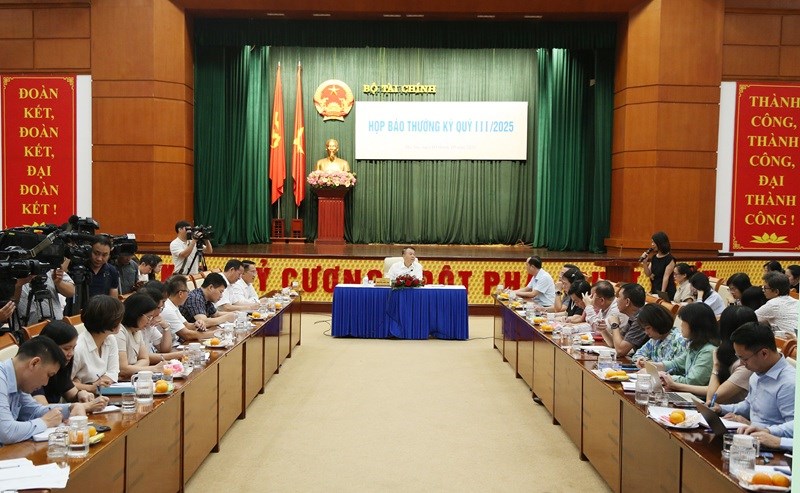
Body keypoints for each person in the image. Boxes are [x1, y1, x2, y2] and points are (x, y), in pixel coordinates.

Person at [714, 322, 795, 438]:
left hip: (771, 442)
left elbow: (794, 426)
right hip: (751, 435)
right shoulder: (757, 372)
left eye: (744, 358)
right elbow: (749, 405)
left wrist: (764, 430)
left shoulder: (789, 383)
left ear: (764, 353)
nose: (741, 363)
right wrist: (721, 409)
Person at [0, 337, 87, 445]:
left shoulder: (18, 380)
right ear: (34, 363)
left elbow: (34, 411)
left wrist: (71, 408)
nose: (46, 383)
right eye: (49, 375)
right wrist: (45, 422)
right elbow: (6, 432)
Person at [32, 320, 108, 412]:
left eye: (73, 348)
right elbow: (42, 409)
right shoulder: (34, 367)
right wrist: (86, 406)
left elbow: (71, 394)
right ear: (49, 347)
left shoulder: (63, 364)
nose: (71, 353)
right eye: (66, 348)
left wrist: (81, 394)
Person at [654, 303, 719, 393]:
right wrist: (652, 366)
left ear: (694, 325)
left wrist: (663, 377)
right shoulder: (695, 344)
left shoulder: (709, 350)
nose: (681, 325)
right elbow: (676, 364)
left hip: (697, 398)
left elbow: (692, 381)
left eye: (683, 321)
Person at [705, 306, 758, 405]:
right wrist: (678, 386)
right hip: (723, 409)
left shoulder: (747, 364)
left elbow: (711, 400)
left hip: (730, 412)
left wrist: (716, 366)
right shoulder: (727, 353)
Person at [72, 295, 123, 393]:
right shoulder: (78, 348)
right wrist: (91, 387)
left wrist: (99, 383)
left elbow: (113, 372)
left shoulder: (110, 339)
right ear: (107, 321)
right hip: (81, 397)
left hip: (102, 394)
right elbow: (64, 383)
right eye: (117, 319)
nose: (120, 322)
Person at [116, 293, 165, 380]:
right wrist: (153, 369)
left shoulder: (137, 330)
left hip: (131, 378)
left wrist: (132, 369)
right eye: (148, 317)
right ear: (136, 314)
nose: (149, 321)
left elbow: (145, 359)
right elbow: (123, 369)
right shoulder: (119, 331)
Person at [597, 283, 649, 358]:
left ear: (627, 302)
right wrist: (603, 330)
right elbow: (615, 343)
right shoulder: (633, 317)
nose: (616, 300)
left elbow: (620, 351)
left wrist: (615, 325)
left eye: (618, 297)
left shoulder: (641, 318)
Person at [632, 303, 686, 367]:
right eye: (644, 329)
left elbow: (678, 368)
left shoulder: (680, 342)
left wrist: (652, 365)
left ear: (658, 323)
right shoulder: (655, 339)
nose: (646, 333)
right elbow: (637, 355)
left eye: (648, 328)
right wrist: (645, 361)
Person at [139, 286, 183, 363]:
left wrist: (166, 327)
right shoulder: (137, 326)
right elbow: (143, 357)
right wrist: (178, 355)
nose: (160, 311)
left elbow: (164, 349)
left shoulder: (150, 323)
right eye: (159, 308)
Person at [162, 275, 211, 343]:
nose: (188, 295)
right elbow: (186, 335)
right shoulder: (167, 309)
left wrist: (196, 325)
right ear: (180, 294)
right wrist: (213, 334)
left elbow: (186, 325)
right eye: (188, 291)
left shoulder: (173, 305)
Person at [640, 231, 676, 300]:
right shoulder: (654, 257)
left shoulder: (669, 259)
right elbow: (648, 274)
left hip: (666, 291)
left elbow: (666, 277)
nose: (652, 244)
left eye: (654, 242)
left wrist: (662, 294)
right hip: (655, 289)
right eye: (652, 242)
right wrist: (644, 263)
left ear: (660, 243)